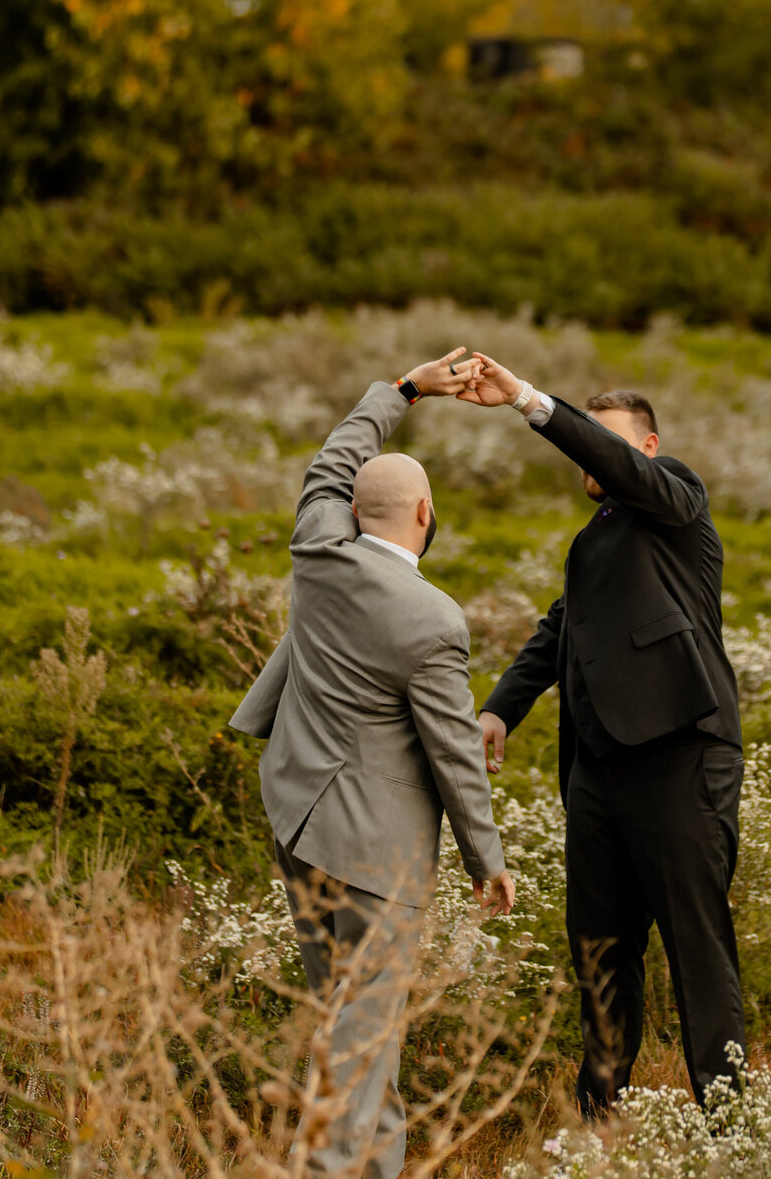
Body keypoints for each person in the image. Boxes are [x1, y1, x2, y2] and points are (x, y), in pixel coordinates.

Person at [230, 349, 515, 1179]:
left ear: (353, 509)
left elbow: (332, 460)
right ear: (426, 511)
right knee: (361, 1036)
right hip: (374, 858)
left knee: (351, 1025)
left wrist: (404, 390)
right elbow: (455, 750)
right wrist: (485, 860)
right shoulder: (433, 620)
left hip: (299, 822)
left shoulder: (317, 548)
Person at [458, 355, 743, 1113]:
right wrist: (501, 707)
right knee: (601, 957)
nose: (592, 453)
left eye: (604, 440)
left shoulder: (675, 500)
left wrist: (527, 401)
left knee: (697, 953)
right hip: (599, 774)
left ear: (644, 450)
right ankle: (601, 1122)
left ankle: (733, 1126)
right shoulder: (593, 544)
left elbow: (613, 460)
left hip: (680, 755)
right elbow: (563, 627)